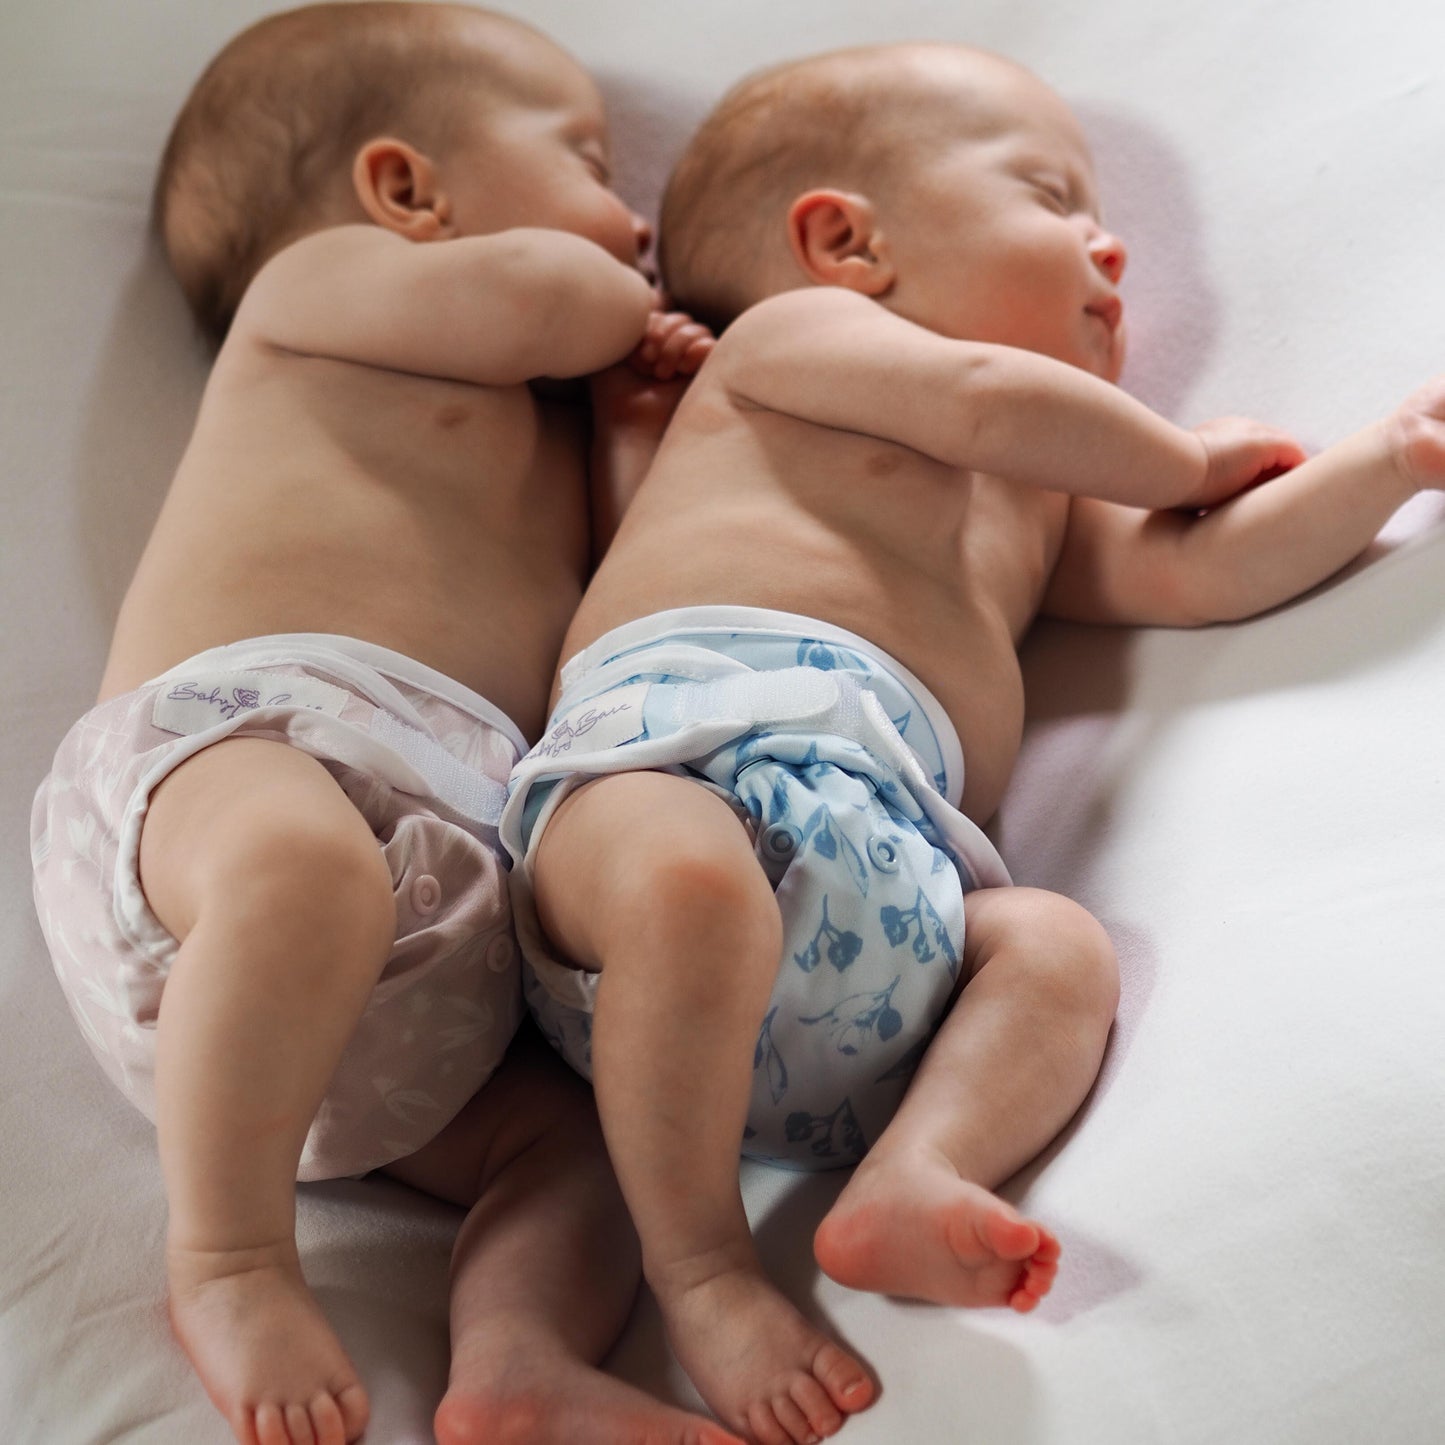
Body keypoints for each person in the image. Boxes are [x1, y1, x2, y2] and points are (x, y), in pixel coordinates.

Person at [498, 40, 1445, 1445]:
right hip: (664, 779)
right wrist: (1178, 456)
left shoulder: (1040, 495)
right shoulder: (783, 353)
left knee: (1055, 947)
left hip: (893, 895)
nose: (1107, 243)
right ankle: (697, 1265)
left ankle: (911, 1169)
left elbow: (1192, 576)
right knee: (689, 884)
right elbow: (988, 402)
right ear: (846, 242)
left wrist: (1387, 462)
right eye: (1049, 195)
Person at [27, 6, 722, 1445]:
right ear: (407, 192)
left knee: (583, 1144)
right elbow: (552, 294)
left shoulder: (544, 417)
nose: (634, 223)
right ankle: (225, 1255)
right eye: (589, 163)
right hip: (232, 764)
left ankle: (517, 1363)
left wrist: (647, 426)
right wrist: (618, 321)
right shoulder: (321, 292)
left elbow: (646, 560)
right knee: (302, 871)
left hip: (440, 925)